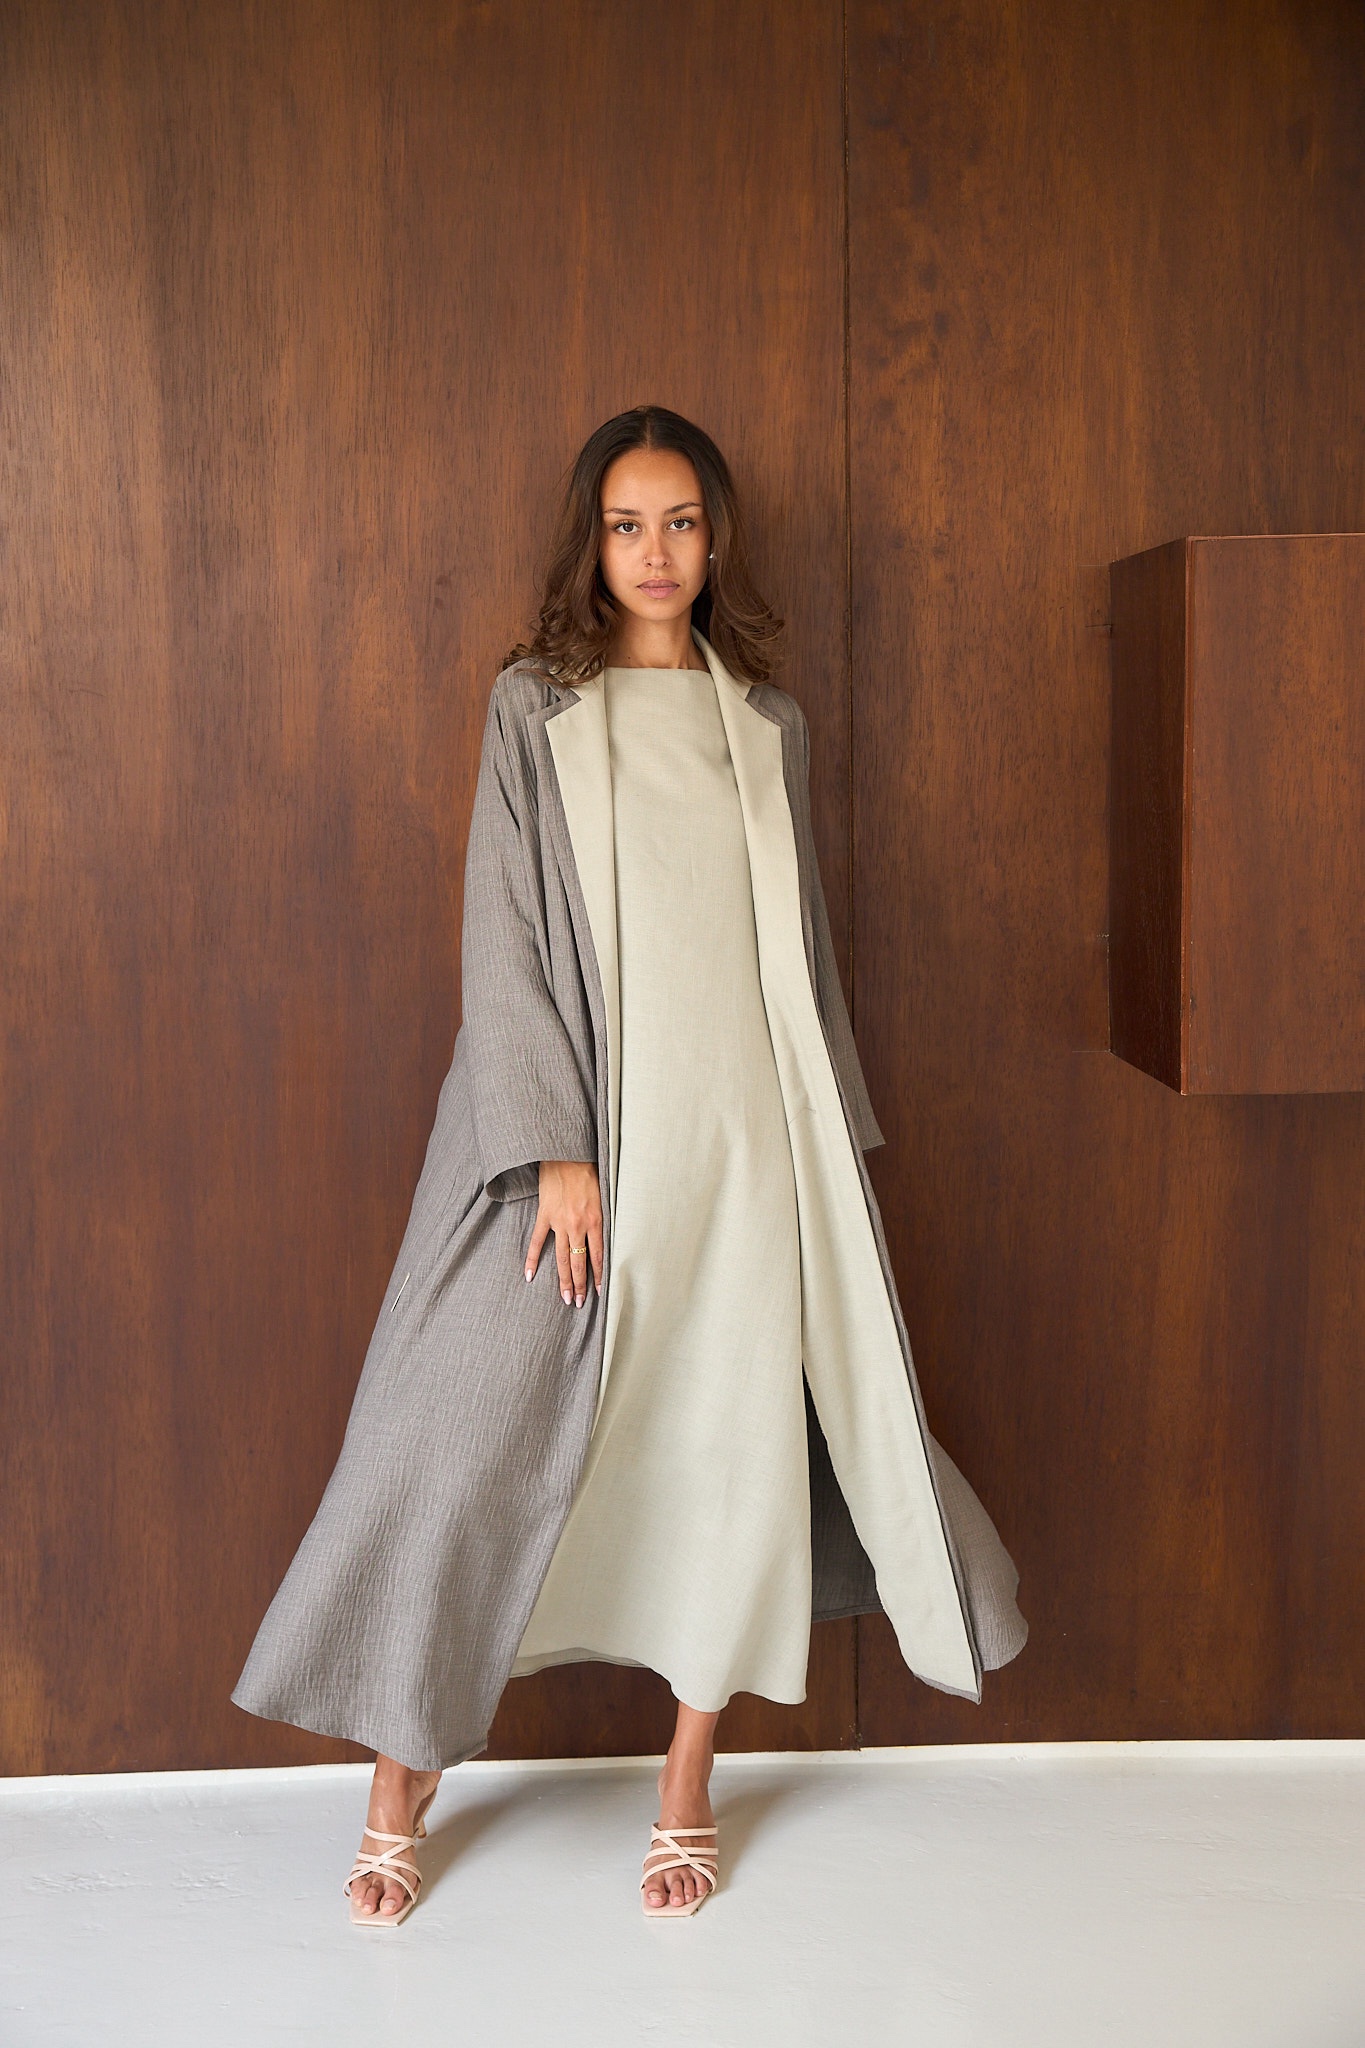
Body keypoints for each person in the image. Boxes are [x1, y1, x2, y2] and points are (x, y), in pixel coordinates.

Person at [232, 404, 1027, 1923]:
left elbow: (801, 954)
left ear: (715, 540)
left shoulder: (766, 723)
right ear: (589, 545)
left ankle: (685, 1783)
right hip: (580, 1140)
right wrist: (552, 1149)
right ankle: (401, 1775)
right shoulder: (534, 707)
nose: (653, 553)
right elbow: (502, 935)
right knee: (452, 1443)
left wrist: (831, 1159)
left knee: (728, 1456)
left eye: (678, 523)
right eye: (624, 526)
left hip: (743, 1146)